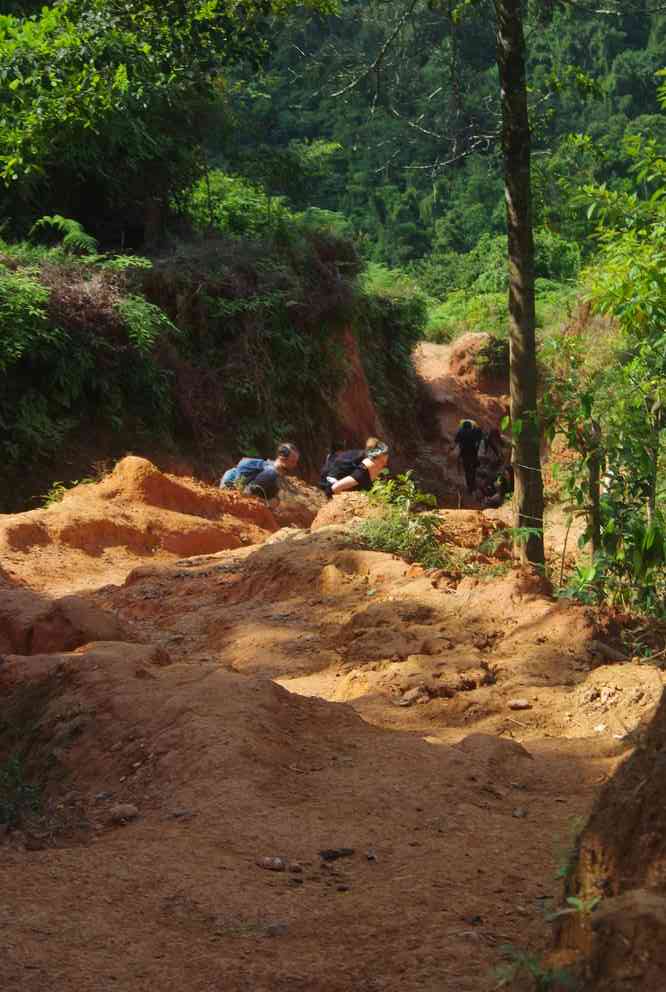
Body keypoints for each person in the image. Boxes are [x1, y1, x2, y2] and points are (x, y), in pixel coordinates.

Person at [220, 443, 299, 501]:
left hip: (237, 483)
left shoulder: (274, 471)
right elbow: (247, 491)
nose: (295, 465)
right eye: (292, 461)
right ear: (282, 458)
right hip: (231, 485)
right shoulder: (270, 472)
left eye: (295, 462)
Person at [321, 439, 389, 497]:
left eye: (385, 462)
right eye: (382, 462)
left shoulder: (364, 457)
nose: (385, 465)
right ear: (373, 460)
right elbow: (335, 488)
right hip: (331, 488)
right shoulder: (363, 471)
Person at [454, 419, 484, 493]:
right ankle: (473, 485)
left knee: (467, 470)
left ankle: (469, 487)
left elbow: (456, 441)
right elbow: (480, 438)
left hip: (464, 453)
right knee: (473, 470)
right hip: (473, 453)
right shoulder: (474, 431)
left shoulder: (460, 431)